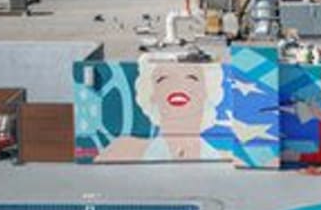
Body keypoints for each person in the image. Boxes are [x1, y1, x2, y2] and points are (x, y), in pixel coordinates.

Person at [95, 58, 227, 162]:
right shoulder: (122, 150)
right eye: (163, 78)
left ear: (207, 91)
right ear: (152, 94)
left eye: (191, 77)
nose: (177, 84)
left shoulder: (227, 158)